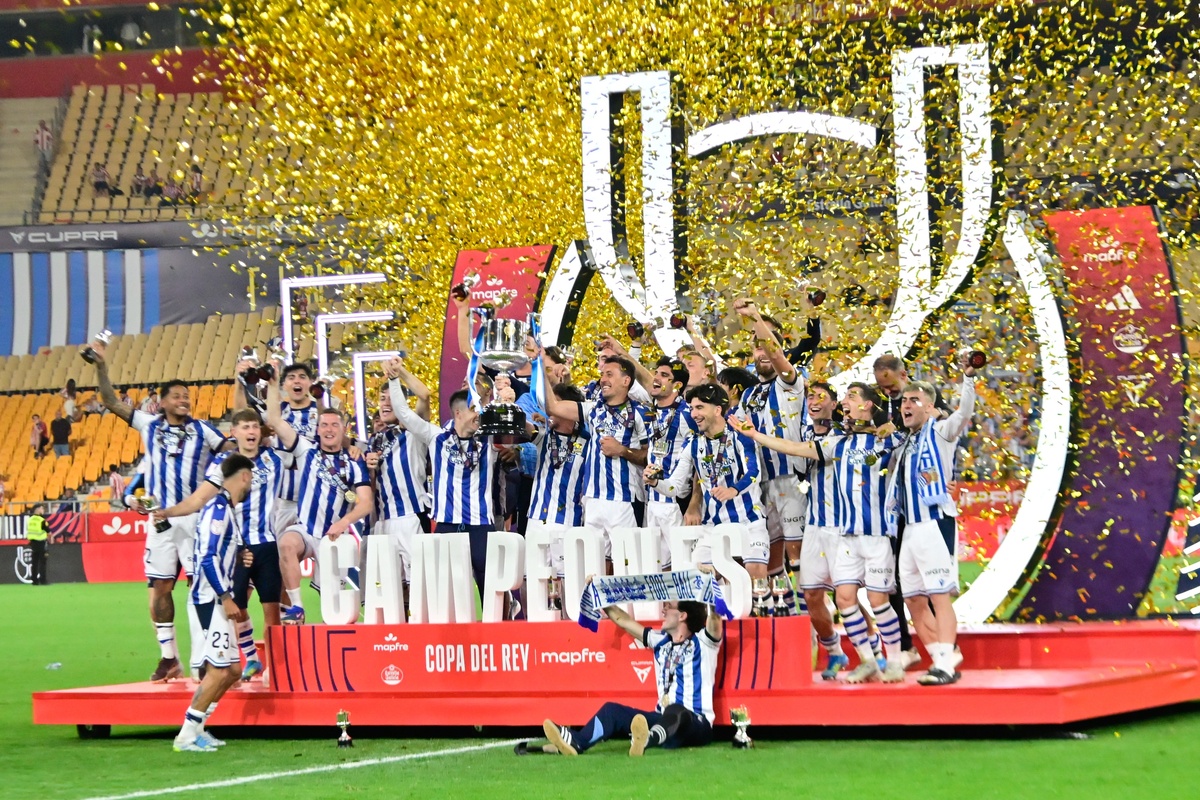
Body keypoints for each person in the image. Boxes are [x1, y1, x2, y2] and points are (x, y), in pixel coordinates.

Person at [733, 383, 907, 683]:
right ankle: (852, 654)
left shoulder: (880, 439)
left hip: (862, 531)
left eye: (848, 397)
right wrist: (755, 435)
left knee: (871, 599)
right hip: (821, 526)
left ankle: (886, 655)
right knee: (826, 595)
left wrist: (892, 426)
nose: (813, 400)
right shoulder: (830, 441)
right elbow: (793, 448)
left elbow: (919, 435)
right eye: (810, 395)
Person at [88, 339, 227, 682]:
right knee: (160, 588)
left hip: (195, 519)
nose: (184, 400)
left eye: (187, 396)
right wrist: (101, 366)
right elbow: (109, 401)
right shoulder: (148, 425)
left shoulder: (203, 430)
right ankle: (169, 658)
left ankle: (207, 654)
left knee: (201, 588)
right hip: (160, 522)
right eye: (177, 396)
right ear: (162, 402)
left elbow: (230, 450)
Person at [156, 409, 291, 680]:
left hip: (265, 543)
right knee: (236, 609)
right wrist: (168, 512)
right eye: (245, 427)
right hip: (236, 550)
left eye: (255, 427)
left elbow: (303, 444)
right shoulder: (223, 463)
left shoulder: (274, 458)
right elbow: (199, 499)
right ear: (234, 432)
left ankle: (274, 667)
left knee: (271, 611)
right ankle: (250, 657)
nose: (251, 432)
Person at [385, 356, 523, 602]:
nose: (478, 414)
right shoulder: (436, 437)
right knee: (446, 597)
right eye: (473, 409)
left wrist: (505, 401)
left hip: (480, 525)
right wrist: (395, 379)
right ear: (459, 413)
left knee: (493, 593)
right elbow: (404, 414)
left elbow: (512, 431)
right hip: (447, 526)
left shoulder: (488, 439)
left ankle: (502, 623)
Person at [888, 359, 977, 686]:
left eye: (914, 400)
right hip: (909, 528)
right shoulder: (904, 443)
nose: (906, 405)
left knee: (939, 597)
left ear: (930, 407)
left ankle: (944, 665)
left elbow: (963, 414)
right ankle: (942, 658)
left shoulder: (940, 433)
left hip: (934, 523)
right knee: (913, 600)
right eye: (904, 401)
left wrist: (968, 378)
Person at [541, 595, 722, 756]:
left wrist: (709, 586)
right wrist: (599, 595)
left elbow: (715, 618)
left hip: (696, 724)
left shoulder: (704, 642)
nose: (663, 610)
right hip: (663, 721)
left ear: (682, 615)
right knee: (612, 711)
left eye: (668, 606)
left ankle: (647, 739)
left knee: (677, 711)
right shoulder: (660, 640)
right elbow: (624, 621)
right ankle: (577, 741)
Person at [266, 373, 373, 624]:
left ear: (343, 429)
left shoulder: (354, 461)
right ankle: (297, 607)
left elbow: (366, 502)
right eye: (324, 425)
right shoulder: (306, 451)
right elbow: (275, 420)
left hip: (334, 538)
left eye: (334, 425)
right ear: (317, 429)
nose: (329, 429)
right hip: (305, 529)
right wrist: (272, 384)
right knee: (286, 544)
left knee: (333, 612)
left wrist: (343, 522)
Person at [172, 454, 255, 753]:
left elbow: (219, 553)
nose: (251, 485)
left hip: (216, 598)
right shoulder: (218, 510)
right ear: (244, 476)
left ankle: (199, 728)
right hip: (210, 599)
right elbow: (207, 558)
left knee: (232, 670)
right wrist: (226, 597)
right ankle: (185, 736)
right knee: (218, 671)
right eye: (251, 479)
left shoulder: (226, 509)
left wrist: (241, 556)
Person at [732, 298, 806, 614]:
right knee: (773, 557)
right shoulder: (748, 395)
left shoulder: (790, 382)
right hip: (761, 484)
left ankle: (808, 620)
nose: (762, 351)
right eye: (756, 347)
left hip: (791, 479)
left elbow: (777, 356)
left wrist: (755, 317)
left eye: (767, 345)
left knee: (796, 553)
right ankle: (787, 614)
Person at [542, 352, 649, 564]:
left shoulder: (640, 413)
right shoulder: (593, 410)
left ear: (626, 381)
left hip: (624, 500)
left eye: (610, 374)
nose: (603, 379)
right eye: (602, 374)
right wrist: (540, 368)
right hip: (592, 500)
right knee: (593, 566)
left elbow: (650, 457)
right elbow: (552, 407)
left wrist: (622, 450)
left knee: (627, 566)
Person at [645, 384, 764, 571]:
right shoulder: (692, 443)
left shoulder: (740, 435)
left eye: (700, 407)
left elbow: (754, 472)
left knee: (755, 573)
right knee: (698, 578)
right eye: (692, 408)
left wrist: (733, 490)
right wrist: (655, 482)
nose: (694, 414)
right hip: (713, 528)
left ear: (717, 410)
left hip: (749, 521)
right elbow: (674, 487)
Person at [368, 361, 433, 593]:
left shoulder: (414, 431)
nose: (385, 403)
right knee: (389, 594)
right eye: (381, 399)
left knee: (421, 591)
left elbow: (425, 395)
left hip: (411, 517)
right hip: (383, 522)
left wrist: (399, 372)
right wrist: (369, 469)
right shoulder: (373, 441)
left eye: (390, 399)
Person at [526, 382, 589, 596]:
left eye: (556, 405)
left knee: (568, 586)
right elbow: (524, 427)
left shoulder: (589, 444)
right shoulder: (543, 436)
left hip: (568, 523)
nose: (550, 410)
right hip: (537, 520)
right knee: (533, 582)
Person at [644, 357, 696, 570]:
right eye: (656, 373)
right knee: (658, 569)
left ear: (677, 385)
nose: (656, 378)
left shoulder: (688, 414)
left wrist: (694, 504)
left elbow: (701, 460)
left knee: (685, 567)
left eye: (664, 375)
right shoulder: (651, 411)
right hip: (652, 501)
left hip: (676, 502)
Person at [26, 505, 49, 585]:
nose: (43, 510)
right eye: (42, 508)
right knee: (42, 562)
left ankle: (34, 580)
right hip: (41, 542)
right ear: (37, 509)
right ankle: (43, 580)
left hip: (33, 542)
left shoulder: (30, 519)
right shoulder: (41, 520)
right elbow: (47, 530)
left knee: (34, 562)